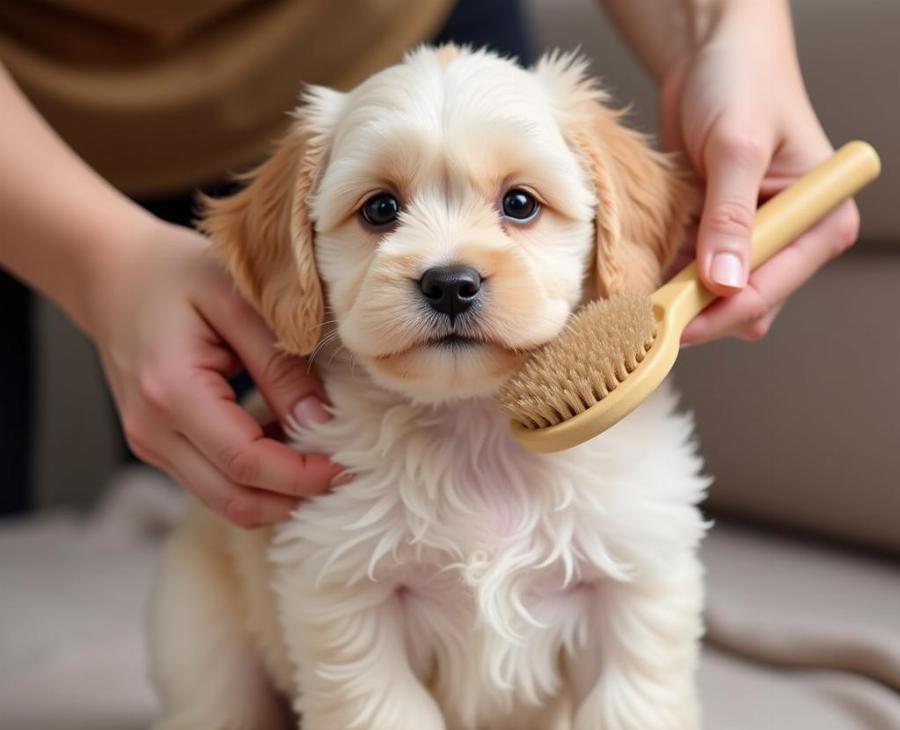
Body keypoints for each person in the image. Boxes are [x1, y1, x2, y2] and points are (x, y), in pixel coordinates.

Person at [0, 0, 858, 524]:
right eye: (382, 212)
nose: (450, 268)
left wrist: (730, 28)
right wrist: (96, 258)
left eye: (520, 205)